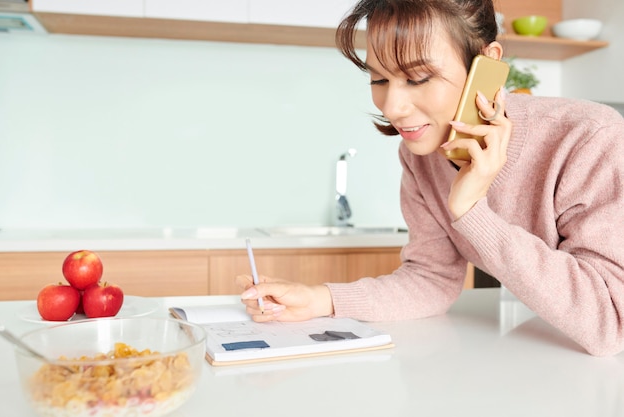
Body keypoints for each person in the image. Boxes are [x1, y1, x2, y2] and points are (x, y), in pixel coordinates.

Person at [238, 0, 624, 356]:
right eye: (379, 80)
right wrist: (319, 300)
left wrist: (472, 211)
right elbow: (431, 279)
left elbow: (610, 323)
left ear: (486, 65)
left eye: (419, 78)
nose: (393, 107)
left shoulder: (588, 138)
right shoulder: (419, 156)